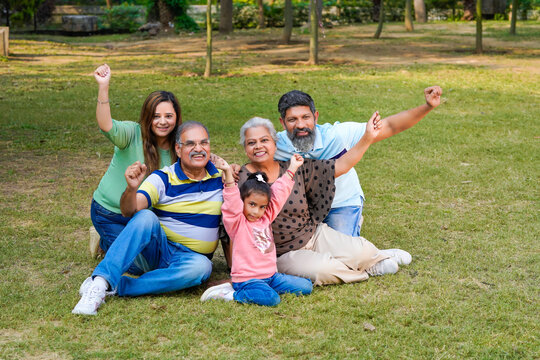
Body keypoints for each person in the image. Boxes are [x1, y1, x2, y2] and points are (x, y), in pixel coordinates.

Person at [236, 117, 412, 287]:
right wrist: (235, 271)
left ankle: (374, 256)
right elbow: (232, 226)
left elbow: (341, 165)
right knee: (324, 269)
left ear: (275, 143)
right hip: (283, 253)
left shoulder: (293, 166)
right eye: (251, 143)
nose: (258, 146)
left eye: (264, 140)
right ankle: (366, 270)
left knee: (361, 252)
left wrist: (367, 137)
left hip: (314, 234)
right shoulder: (241, 179)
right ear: (245, 148)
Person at [73, 121, 222, 315]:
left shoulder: (221, 177)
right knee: (145, 216)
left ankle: (120, 287)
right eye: (190, 144)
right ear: (178, 148)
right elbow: (130, 210)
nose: (199, 149)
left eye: (204, 143)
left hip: (191, 259)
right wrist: (132, 188)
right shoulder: (163, 178)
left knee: (202, 268)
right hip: (158, 249)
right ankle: (100, 283)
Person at [274, 87, 443, 236]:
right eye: (292, 120)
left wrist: (427, 106)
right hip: (303, 208)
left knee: (342, 252)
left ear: (316, 117)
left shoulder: (338, 135)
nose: (301, 124)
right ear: (282, 122)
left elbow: (391, 125)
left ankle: (352, 223)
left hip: (340, 203)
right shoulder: (275, 145)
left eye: (306, 117)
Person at [90, 64, 182, 268]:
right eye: (156, 116)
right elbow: (106, 125)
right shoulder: (132, 133)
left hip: (144, 216)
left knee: (158, 261)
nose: (163, 122)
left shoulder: (179, 147)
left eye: (169, 116)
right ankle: (104, 241)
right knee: (136, 266)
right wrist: (103, 86)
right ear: (147, 117)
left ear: (177, 117)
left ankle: (119, 242)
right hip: (110, 213)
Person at [200, 153, 312, 306]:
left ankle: (263, 289)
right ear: (243, 201)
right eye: (251, 204)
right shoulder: (238, 222)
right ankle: (230, 294)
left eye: (261, 207)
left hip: (271, 277)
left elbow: (279, 194)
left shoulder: (266, 218)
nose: (256, 211)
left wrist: (292, 167)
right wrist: (227, 171)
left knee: (306, 286)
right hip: (248, 280)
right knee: (272, 299)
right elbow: (232, 200)